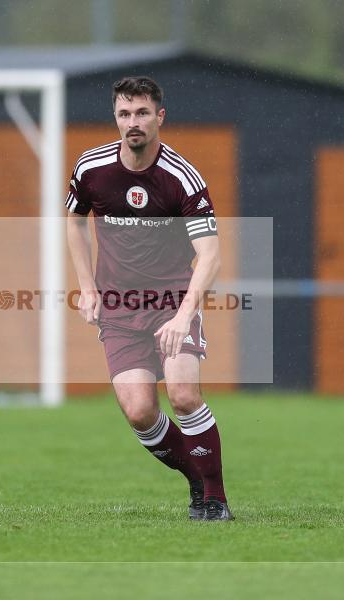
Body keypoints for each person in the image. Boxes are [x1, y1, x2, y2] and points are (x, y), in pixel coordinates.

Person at [64, 76, 232, 521]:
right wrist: (86, 286)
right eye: (124, 113)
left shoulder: (181, 176)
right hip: (119, 310)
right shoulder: (91, 168)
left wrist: (184, 315)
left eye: (141, 113)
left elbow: (211, 254)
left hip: (172, 302)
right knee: (139, 412)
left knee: (182, 395)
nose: (132, 122)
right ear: (115, 118)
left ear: (160, 117)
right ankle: (197, 478)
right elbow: (75, 222)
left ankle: (215, 499)